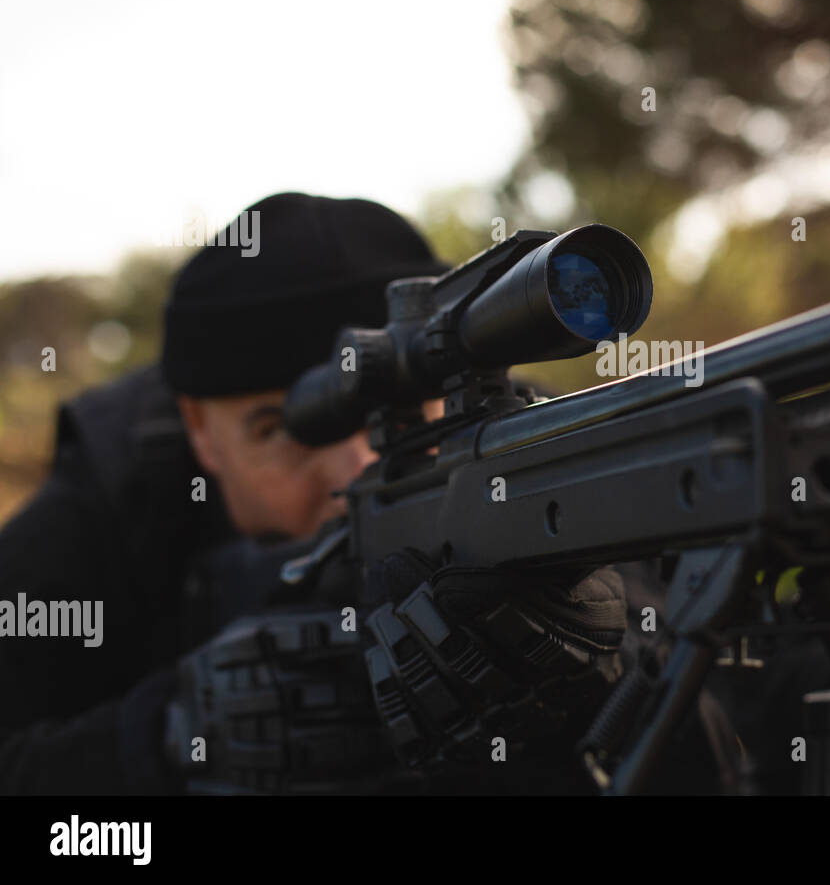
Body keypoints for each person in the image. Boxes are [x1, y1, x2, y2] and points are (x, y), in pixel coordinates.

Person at [0, 193, 631, 793]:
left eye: (405, 416)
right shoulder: (111, 498)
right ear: (199, 429)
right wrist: (168, 733)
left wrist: (588, 679)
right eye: (285, 429)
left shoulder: (530, 453)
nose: (352, 472)